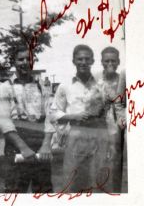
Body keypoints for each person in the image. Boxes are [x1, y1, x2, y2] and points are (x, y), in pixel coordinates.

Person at [49, 44, 110, 192]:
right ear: (73, 61)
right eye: (79, 59)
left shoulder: (102, 85)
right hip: (77, 134)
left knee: (98, 181)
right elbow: (53, 113)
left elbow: (110, 112)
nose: (83, 62)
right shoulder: (65, 86)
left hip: (99, 135)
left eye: (87, 59)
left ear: (92, 61)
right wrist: (73, 116)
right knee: (73, 181)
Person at [0, 46, 54, 193]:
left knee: (43, 192)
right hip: (16, 145)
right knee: (14, 192)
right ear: (14, 62)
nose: (25, 62)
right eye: (21, 59)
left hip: (40, 145)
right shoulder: (5, 87)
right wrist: (23, 148)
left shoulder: (42, 86)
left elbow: (51, 116)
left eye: (29, 59)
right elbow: (3, 121)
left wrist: (46, 145)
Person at [96, 46, 126, 192]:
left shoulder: (123, 79)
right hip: (98, 123)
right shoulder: (95, 78)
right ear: (101, 61)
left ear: (118, 62)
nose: (110, 64)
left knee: (115, 160)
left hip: (117, 124)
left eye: (113, 61)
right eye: (106, 61)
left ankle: (116, 191)